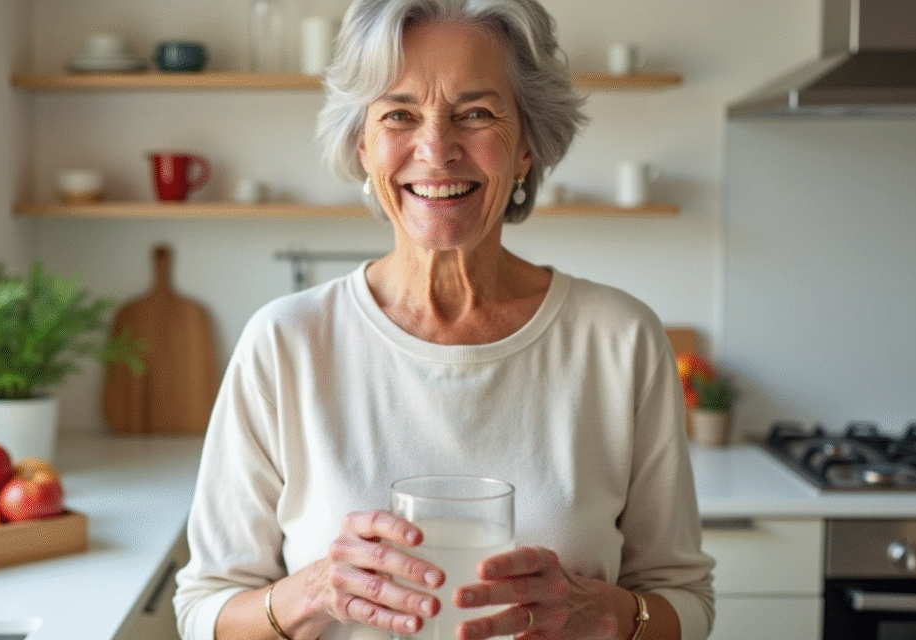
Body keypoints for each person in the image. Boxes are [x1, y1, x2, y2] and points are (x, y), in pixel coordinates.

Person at [174, 0, 715, 638]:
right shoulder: (285, 342)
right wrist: (313, 592)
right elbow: (205, 610)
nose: (436, 150)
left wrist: (613, 614)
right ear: (362, 144)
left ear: (528, 146)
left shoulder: (619, 341)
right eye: (399, 114)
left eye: (476, 114)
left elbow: (685, 600)